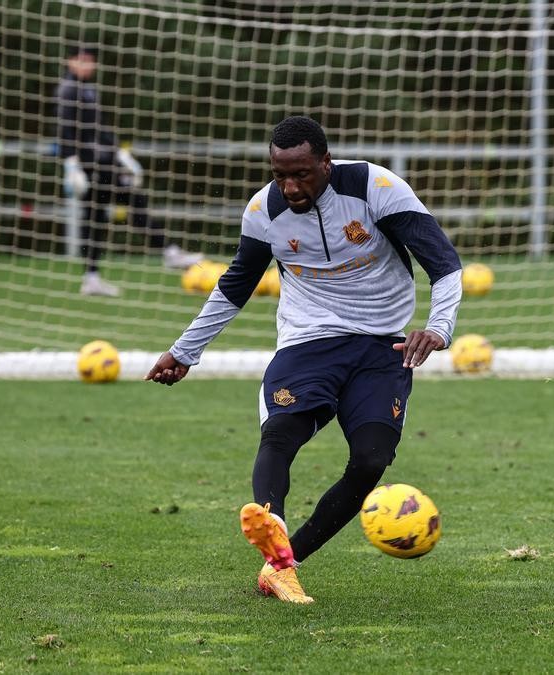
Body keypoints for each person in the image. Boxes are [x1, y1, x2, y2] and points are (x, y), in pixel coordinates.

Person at [144, 116, 463, 603]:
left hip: (383, 344)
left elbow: (443, 263)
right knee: (282, 431)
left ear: (326, 164)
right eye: (279, 175)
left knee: (371, 460)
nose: (290, 186)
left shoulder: (376, 187)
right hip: (308, 340)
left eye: (302, 174)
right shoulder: (263, 212)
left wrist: (438, 329)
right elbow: (236, 284)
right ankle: (275, 541)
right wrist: (185, 351)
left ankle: (283, 562)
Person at [56, 45, 203, 297]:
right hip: (92, 165)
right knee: (125, 205)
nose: (87, 65)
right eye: (82, 60)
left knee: (98, 216)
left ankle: (92, 277)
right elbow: (65, 131)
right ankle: (168, 252)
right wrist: (72, 164)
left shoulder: (86, 89)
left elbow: (99, 128)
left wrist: (120, 153)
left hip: (103, 161)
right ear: (70, 61)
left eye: (91, 60)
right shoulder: (68, 90)